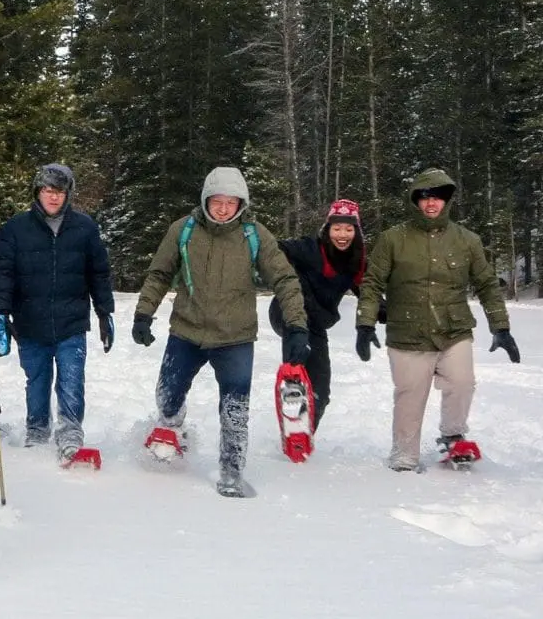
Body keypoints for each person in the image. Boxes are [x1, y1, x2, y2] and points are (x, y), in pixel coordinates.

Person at [132, 166, 308, 495]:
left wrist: (296, 325)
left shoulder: (254, 234)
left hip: (235, 337)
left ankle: (231, 470)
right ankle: (172, 428)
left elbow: (284, 278)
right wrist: (143, 314)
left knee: (235, 410)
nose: (224, 208)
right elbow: (159, 273)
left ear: (241, 203)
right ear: (205, 200)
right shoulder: (182, 230)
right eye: (217, 201)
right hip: (186, 330)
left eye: (231, 202)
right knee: (167, 396)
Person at [355, 168, 519, 471]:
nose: (431, 203)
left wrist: (501, 327)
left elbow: (485, 284)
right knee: (410, 395)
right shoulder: (393, 239)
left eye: (438, 197)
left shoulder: (467, 240)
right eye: (425, 197)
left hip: (453, 330)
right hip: (407, 333)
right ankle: (404, 453)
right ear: (416, 200)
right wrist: (365, 323)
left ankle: (453, 436)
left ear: (447, 201)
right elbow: (372, 282)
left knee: (463, 383)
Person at [0, 163, 114, 462]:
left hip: (71, 322)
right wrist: (1, 314)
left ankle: (70, 432)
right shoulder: (16, 229)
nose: (53, 197)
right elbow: (2, 273)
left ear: (68, 194)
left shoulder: (85, 227)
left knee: (72, 379)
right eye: (48, 191)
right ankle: (37, 430)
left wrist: (104, 312)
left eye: (60, 192)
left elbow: (99, 273)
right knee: (37, 380)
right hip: (30, 323)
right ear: (37, 192)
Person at [268, 199, 375, 431]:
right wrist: (288, 278)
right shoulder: (310, 248)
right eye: (337, 228)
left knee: (321, 390)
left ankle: (304, 431)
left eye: (349, 229)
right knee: (298, 360)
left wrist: (370, 321)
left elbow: (368, 291)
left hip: (316, 323)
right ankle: (293, 388)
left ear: (356, 232)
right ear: (328, 229)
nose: (342, 235)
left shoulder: (357, 261)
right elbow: (274, 248)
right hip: (287, 311)